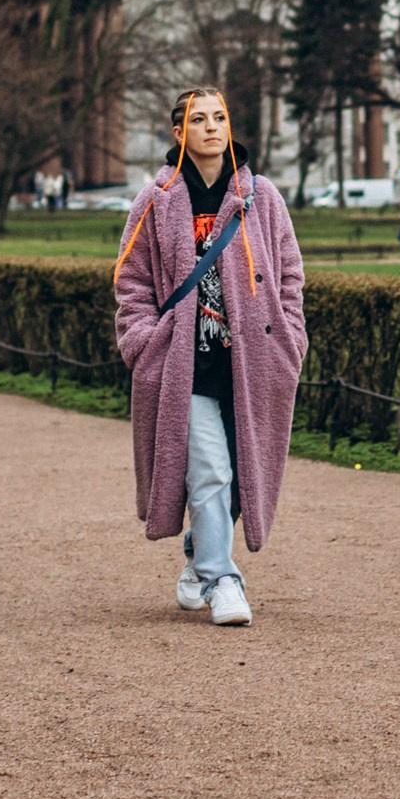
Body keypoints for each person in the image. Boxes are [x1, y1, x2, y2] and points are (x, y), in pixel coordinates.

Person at [113, 88, 308, 628]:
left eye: (219, 117)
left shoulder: (260, 196)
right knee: (211, 470)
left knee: (244, 475)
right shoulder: (156, 199)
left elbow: (290, 272)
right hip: (182, 362)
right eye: (198, 120)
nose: (211, 128)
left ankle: (200, 558)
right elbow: (131, 281)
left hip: (254, 359)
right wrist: (143, 341)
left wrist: (291, 338)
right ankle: (224, 580)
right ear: (179, 133)